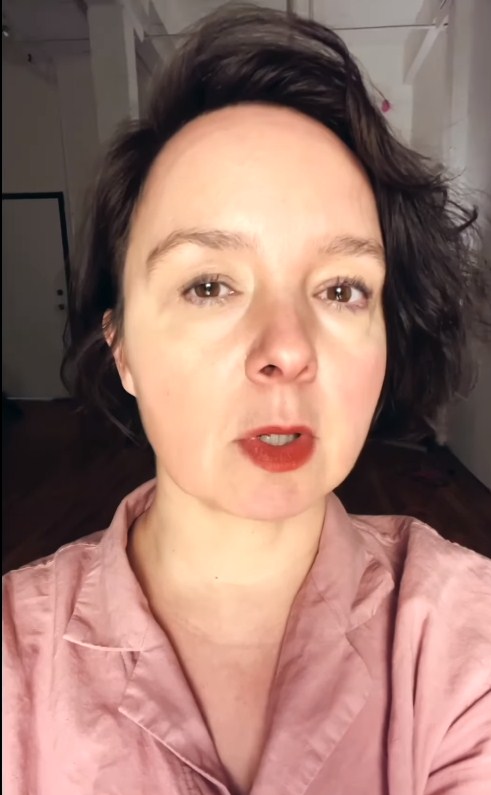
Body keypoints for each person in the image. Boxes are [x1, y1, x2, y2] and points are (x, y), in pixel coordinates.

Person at [3, 5, 491, 795]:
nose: (287, 349)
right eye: (209, 285)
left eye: (340, 289)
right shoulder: (15, 662)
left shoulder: (464, 635)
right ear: (121, 347)